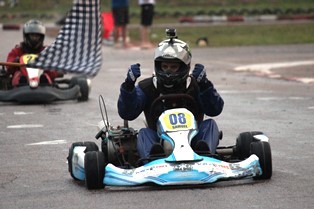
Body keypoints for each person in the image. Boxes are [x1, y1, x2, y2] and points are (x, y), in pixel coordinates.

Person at [117, 29, 224, 160]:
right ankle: (152, 158)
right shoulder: (148, 87)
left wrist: (205, 85)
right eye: (165, 66)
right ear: (158, 66)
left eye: (173, 67)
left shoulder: (196, 85)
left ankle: (205, 153)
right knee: (144, 133)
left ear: (184, 67)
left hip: (194, 139)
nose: (168, 71)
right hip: (159, 141)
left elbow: (215, 110)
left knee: (210, 124)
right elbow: (127, 113)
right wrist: (128, 87)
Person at [6, 19, 61, 87]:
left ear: (41, 37)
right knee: (19, 74)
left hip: (41, 79)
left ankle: (45, 85)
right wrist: (16, 61)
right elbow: (9, 67)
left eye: (37, 36)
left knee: (45, 75)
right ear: (26, 36)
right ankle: (21, 85)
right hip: (22, 79)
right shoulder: (17, 50)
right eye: (32, 35)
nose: (34, 38)